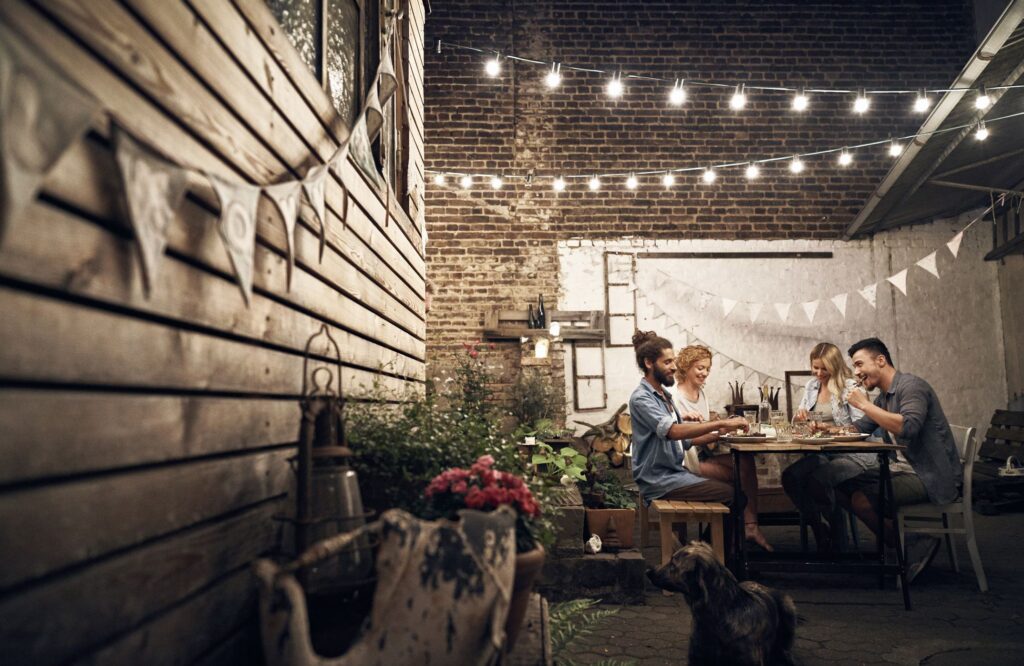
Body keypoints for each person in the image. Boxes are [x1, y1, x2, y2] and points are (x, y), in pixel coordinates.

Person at [838, 337, 961, 582]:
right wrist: (823, 429)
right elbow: (861, 427)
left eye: (860, 364)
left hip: (931, 476)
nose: (857, 372)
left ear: (881, 360)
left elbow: (908, 427)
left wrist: (864, 404)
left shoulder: (911, 387)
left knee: (861, 500)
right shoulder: (885, 396)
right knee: (841, 484)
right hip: (905, 470)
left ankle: (909, 544)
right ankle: (905, 540)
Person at [628, 331, 750, 555]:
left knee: (736, 493)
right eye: (667, 362)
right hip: (659, 480)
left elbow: (685, 441)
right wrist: (719, 423)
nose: (673, 367)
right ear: (648, 363)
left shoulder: (663, 395)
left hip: (673, 473)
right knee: (735, 496)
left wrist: (718, 431)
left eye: (673, 361)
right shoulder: (642, 398)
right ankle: (703, 557)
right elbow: (674, 431)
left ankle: (707, 555)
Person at [675, 345, 773, 551]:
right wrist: (720, 430)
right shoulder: (675, 396)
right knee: (738, 482)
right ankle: (720, 542)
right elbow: (687, 438)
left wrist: (725, 431)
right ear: (685, 366)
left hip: (702, 455)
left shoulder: (701, 394)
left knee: (745, 462)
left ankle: (748, 528)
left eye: (707, 369)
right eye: (699, 368)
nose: (704, 373)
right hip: (684, 461)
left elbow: (705, 434)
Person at [781, 342, 877, 552]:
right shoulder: (811, 386)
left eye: (824, 368)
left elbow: (861, 429)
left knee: (819, 479)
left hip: (854, 455)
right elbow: (801, 421)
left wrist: (830, 429)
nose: (818, 373)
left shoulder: (850, 387)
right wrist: (800, 419)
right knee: (791, 477)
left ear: (835, 365)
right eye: (815, 367)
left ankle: (838, 535)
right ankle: (819, 528)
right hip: (823, 452)